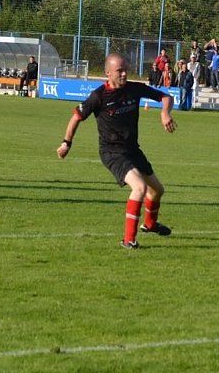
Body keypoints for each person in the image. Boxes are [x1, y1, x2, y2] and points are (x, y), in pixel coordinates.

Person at [56, 53, 176, 249]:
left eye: (125, 70)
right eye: (119, 71)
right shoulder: (98, 96)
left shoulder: (134, 89)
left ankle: (150, 224)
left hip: (132, 150)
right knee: (139, 188)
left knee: (157, 191)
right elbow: (76, 117)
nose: (124, 74)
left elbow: (165, 96)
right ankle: (128, 239)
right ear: (108, 73)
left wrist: (165, 113)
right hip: (112, 152)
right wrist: (66, 143)